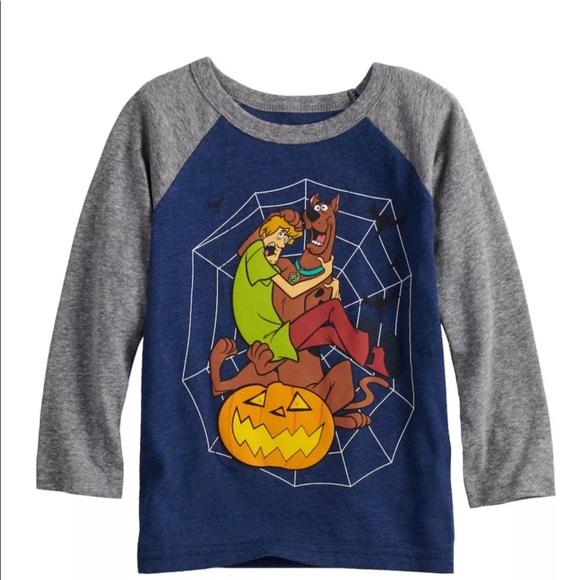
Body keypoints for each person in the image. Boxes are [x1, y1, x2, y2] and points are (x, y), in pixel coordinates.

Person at [232, 212, 399, 378]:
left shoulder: (265, 260)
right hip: (269, 340)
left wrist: (325, 279)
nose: (282, 244)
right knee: (332, 307)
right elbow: (292, 290)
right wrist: (325, 273)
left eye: (286, 239)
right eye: (281, 235)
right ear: (266, 230)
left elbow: (293, 279)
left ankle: (376, 362)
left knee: (329, 334)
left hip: (274, 334)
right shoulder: (256, 255)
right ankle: (364, 350)